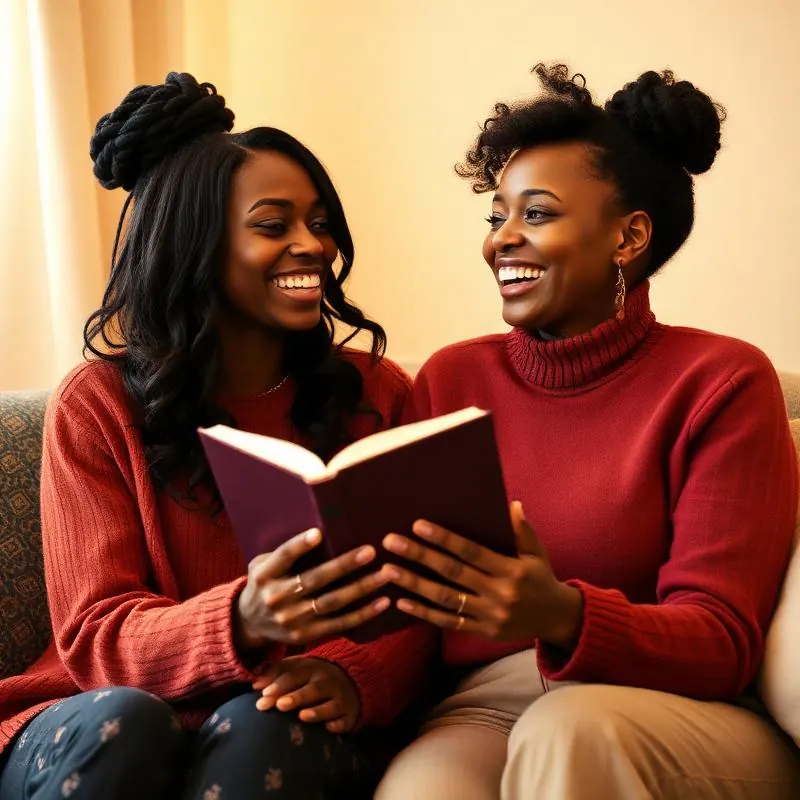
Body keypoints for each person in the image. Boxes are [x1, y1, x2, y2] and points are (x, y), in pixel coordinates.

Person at [366, 65, 799, 798]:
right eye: (495, 216)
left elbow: (722, 640)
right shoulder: (450, 381)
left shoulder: (722, 382)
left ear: (629, 236)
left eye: (535, 215)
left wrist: (561, 612)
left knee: (563, 733)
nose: (501, 240)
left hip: (674, 709)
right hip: (482, 707)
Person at [0, 72, 431, 800]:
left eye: (320, 223)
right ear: (194, 243)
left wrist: (353, 676)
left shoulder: (377, 394)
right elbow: (94, 638)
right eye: (274, 225)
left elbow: (422, 595)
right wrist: (243, 618)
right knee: (133, 724)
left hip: (284, 717)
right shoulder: (97, 405)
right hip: (100, 716)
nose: (312, 246)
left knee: (267, 726)